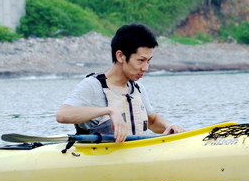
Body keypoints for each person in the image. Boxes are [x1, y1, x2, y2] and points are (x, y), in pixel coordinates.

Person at [56, 23, 184, 142]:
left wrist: (169, 126)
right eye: (141, 60)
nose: (145, 68)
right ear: (120, 56)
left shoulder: (137, 88)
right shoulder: (93, 86)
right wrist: (109, 111)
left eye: (148, 61)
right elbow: (62, 115)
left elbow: (152, 121)